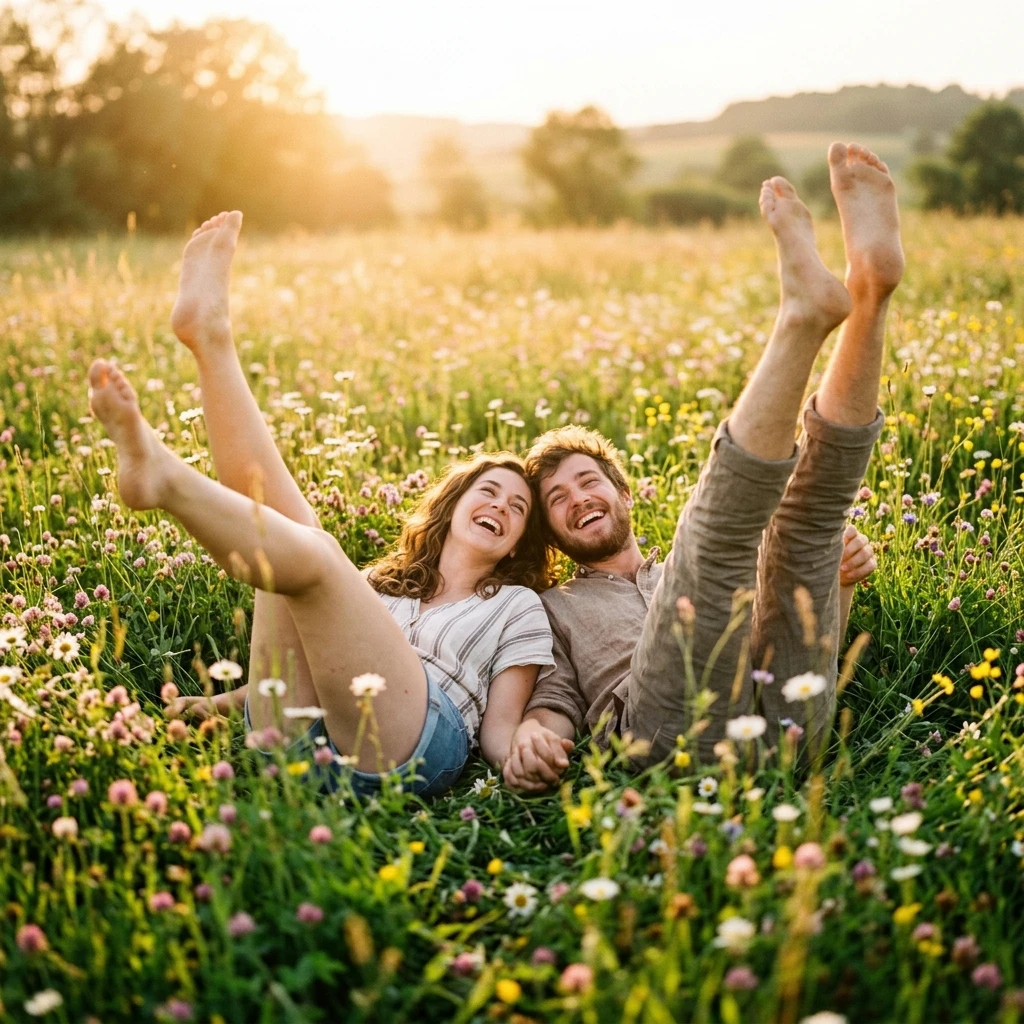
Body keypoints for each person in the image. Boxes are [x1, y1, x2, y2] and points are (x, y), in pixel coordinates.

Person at [93, 212, 556, 798]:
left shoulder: (517, 606)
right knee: (293, 539)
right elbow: (309, 668)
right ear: (451, 505)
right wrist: (215, 704)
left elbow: (501, 726)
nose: (501, 506)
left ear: (518, 542)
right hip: (293, 742)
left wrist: (523, 752)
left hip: (411, 750)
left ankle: (164, 479)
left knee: (314, 555)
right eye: (487, 490)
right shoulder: (382, 587)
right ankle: (211, 342)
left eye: (518, 508)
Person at [503, 143, 903, 792]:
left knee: (807, 524)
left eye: (588, 480)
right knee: (715, 541)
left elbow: (799, 631)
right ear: (551, 532)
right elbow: (552, 703)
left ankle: (872, 289)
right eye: (557, 498)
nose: (578, 497)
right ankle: (802, 315)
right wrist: (531, 737)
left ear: (622, 492)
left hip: (789, 723)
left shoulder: (673, 570)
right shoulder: (551, 609)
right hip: (673, 746)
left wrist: (839, 581)